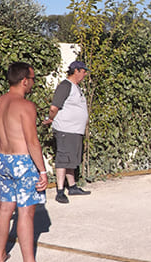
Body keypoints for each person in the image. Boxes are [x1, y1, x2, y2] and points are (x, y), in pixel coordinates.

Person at [0, 62, 48, 262]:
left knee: (5, 208)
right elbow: (32, 141)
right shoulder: (26, 106)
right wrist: (42, 171)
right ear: (25, 81)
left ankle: (0, 257)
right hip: (23, 162)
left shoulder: (1, 102)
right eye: (32, 79)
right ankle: (29, 261)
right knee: (25, 212)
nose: (33, 83)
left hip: (4, 159)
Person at [42, 61, 91, 204]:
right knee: (63, 159)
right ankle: (60, 191)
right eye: (83, 71)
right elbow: (54, 107)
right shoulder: (65, 86)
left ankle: (72, 186)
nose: (85, 74)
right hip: (65, 129)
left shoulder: (75, 87)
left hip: (74, 130)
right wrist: (51, 119)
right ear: (76, 71)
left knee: (71, 159)